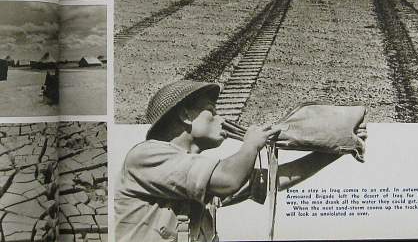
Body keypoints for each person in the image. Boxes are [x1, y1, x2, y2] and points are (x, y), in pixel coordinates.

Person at [115, 80, 367, 242]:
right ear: (185, 115)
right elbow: (228, 180)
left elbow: (274, 179)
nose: (221, 118)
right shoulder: (146, 155)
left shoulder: (195, 171)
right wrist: (250, 144)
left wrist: (338, 146)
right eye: (212, 110)